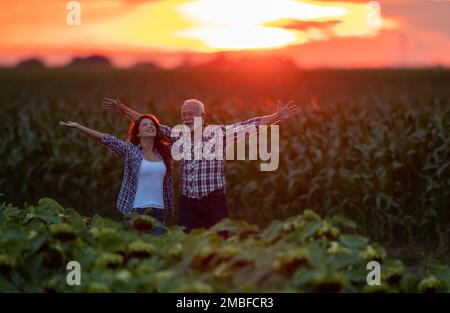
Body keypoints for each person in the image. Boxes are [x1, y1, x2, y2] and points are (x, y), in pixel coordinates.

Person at [102, 98, 298, 232]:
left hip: (214, 202)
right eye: (183, 114)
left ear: (202, 116)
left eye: (191, 114)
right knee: (187, 244)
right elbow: (151, 124)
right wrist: (124, 110)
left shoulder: (219, 134)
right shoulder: (179, 135)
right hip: (188, 204)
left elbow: (250, 125)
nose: (186, 118)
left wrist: (277, 116)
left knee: (218, 245)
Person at [59, 114, 173, 235]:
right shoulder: (131, 150)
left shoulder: (164, 152)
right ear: (138, 133)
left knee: (158, 249)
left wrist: (193, 123)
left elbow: (184, 140)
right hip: (138, 211)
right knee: (134, 249)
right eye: (145, 124)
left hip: (159, 211)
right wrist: (79, 126)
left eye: (152, 125)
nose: (150, 126)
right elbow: (107, 139)